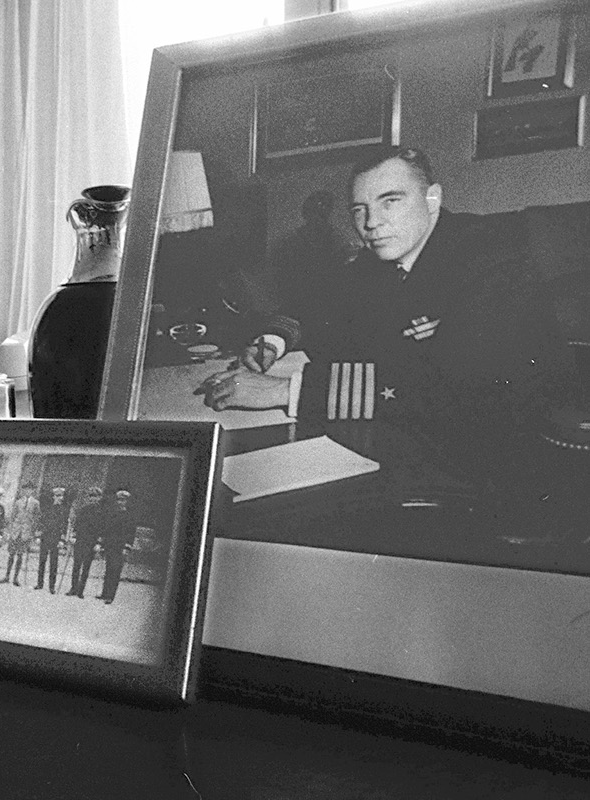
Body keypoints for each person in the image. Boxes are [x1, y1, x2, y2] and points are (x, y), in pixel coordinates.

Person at [198, 146, 571, 499]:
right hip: (404, 440)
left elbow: (456, 386)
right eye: (359, 209)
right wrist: (272, 342)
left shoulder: (492, 251)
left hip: (501, 466)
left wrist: (283, 391)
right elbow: (320, 313)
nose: (372, 223)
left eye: (390, 201)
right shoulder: (377, 260)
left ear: (432, 199)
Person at [96, 489, 136, 605]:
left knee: (115, 570)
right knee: (108, 569)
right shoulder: (112, 514)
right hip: (111, 545)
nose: (120, 502)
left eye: (123, 500)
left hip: (121, 547)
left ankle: (110, 596)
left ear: (127, 502)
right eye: (119, 500)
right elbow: (107, 529)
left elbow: (131, 533)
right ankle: (104, 593)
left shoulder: (130, 516)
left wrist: (127, 547)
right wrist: (102, 543)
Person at [67, 486, 105, 599]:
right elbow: (77, 525)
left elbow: (102, 529)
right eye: (91, 496)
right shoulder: (83, 510)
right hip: (80, 540)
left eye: (96, 497)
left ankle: (81, 590)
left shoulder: (101, 512)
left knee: (86, 567)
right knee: (76, 566)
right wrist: (73, 536)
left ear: (99, 498)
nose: (93, 499)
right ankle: (73, 588)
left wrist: (99, 543)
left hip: (91, 543)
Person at [0, 482, 40, 587]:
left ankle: (15, 578)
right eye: (26, 489)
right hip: (16, 532)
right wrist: (9, 531)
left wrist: (32, 533)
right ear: (23, 490)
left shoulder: (35, 503)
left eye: (30, 489)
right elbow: (12, 517)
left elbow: (36, 519)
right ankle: (7, 576)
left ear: (33, 491)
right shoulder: (18, 502)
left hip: (26, 532)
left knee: (20, 555)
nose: (28, 491)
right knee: (11, 554)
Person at [33, 486, 69, 594]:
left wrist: (62, 540)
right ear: (53, 497)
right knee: (42, 561)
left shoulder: (64, 510)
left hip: (56, 539)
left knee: (54, 563)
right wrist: (38, 536)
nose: (59, 498)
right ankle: (40, 583)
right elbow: (41, 522)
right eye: (57, 496)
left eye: (61, 496)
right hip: (45, 537)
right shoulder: (48, 508)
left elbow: (64, 526)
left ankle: (52, 586)